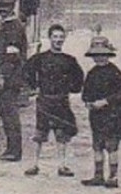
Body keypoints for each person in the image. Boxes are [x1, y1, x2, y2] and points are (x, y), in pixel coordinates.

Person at [21, 23, 85, 177]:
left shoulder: (70, 60)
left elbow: (79, 79)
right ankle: (34, 164)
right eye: (55, 37)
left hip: (61, 100)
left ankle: (62, 166)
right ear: (50, 38)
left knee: (62, 134)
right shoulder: (40, 58)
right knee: (39, 133)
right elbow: (26, 71)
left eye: (61, 37)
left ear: (64, 39)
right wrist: (33, 87)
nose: (58, 40)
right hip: (45, 100)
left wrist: (71, 88)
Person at [80, 35, 121, 187]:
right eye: (96, 55)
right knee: (97, 146)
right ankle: (98, 175)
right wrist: (88, 102)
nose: (99, 58)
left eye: (102, 54)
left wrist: (105, 101)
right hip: (97, 116)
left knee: (111, 146)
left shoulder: (115, 72)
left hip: (114, 115)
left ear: (108, 54)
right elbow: (85, 92)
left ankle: (113, 177)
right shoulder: (92, 73)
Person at [0, 0, 28, 162]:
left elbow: (12, 56)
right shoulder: (5, 27)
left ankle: (14, 151)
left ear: (12, 9)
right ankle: (11, 149)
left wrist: (2, 77)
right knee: (6, 112)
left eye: (6, 10)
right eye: (0, 10)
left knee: (9, 113)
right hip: (5, 78)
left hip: (9, 79)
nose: (3, 12)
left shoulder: (13, 28)